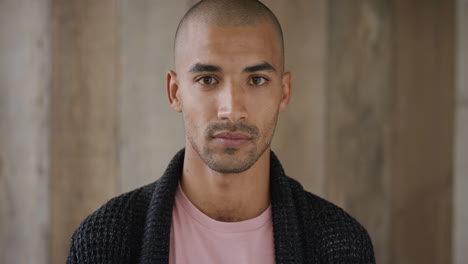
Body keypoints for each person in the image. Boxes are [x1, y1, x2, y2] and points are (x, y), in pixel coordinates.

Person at [66, 0, 375, 263]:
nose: (231, 109)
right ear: (175, 92)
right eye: (208, 79)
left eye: (256, 80)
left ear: (283, 92)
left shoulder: (341, 244)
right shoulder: (103, 241)